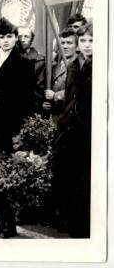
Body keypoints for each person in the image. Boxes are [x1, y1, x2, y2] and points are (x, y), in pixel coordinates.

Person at [0, 18, 35, 238]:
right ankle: (1, 219)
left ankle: (10, 223)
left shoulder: (23, 62)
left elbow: (27, 98)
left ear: (16, 38)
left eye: (9, 37)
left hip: (11, 125)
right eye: (2, 37)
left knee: (9, 174)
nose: (5, 41)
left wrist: (20, 130)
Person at [54, 22, 92, 238]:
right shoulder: (75, 65)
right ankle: (70, 219)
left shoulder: (96, 65)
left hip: (87, 129)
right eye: (84, 41)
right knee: (68, 175)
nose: (87, 45)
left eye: (91, 41)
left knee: (83, 180)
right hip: (69, 127)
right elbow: (70, 97)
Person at [43, 28, 79, 120]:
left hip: (69, 116)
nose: (65, 46)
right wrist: (45, 102)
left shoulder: (79, 64)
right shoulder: (54, 63)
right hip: (53, 116)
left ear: (77, 46)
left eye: (69, 43)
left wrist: (55, 96)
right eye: (62, 43)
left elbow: (77, 91)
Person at [17, 26, 45, 112]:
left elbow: (39, 90)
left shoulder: (39, 60)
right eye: (20, 36)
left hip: (30, 108)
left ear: (31, 39)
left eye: (26, 36)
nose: (22, 39)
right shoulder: (8, 57)